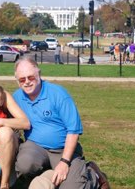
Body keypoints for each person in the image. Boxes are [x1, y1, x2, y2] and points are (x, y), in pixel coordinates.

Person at [12, 57, 110, 189]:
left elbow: (73, 131)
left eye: (31, 77)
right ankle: (45, 175)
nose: (27, 82)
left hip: (63, 149)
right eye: (22, 79)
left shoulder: (58, 94)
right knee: (24, 164)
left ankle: (94, 175)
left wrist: (64, 162)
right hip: (35, 147)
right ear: (18, 82)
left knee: (72, 187)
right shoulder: (17, 97)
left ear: (39, 75)